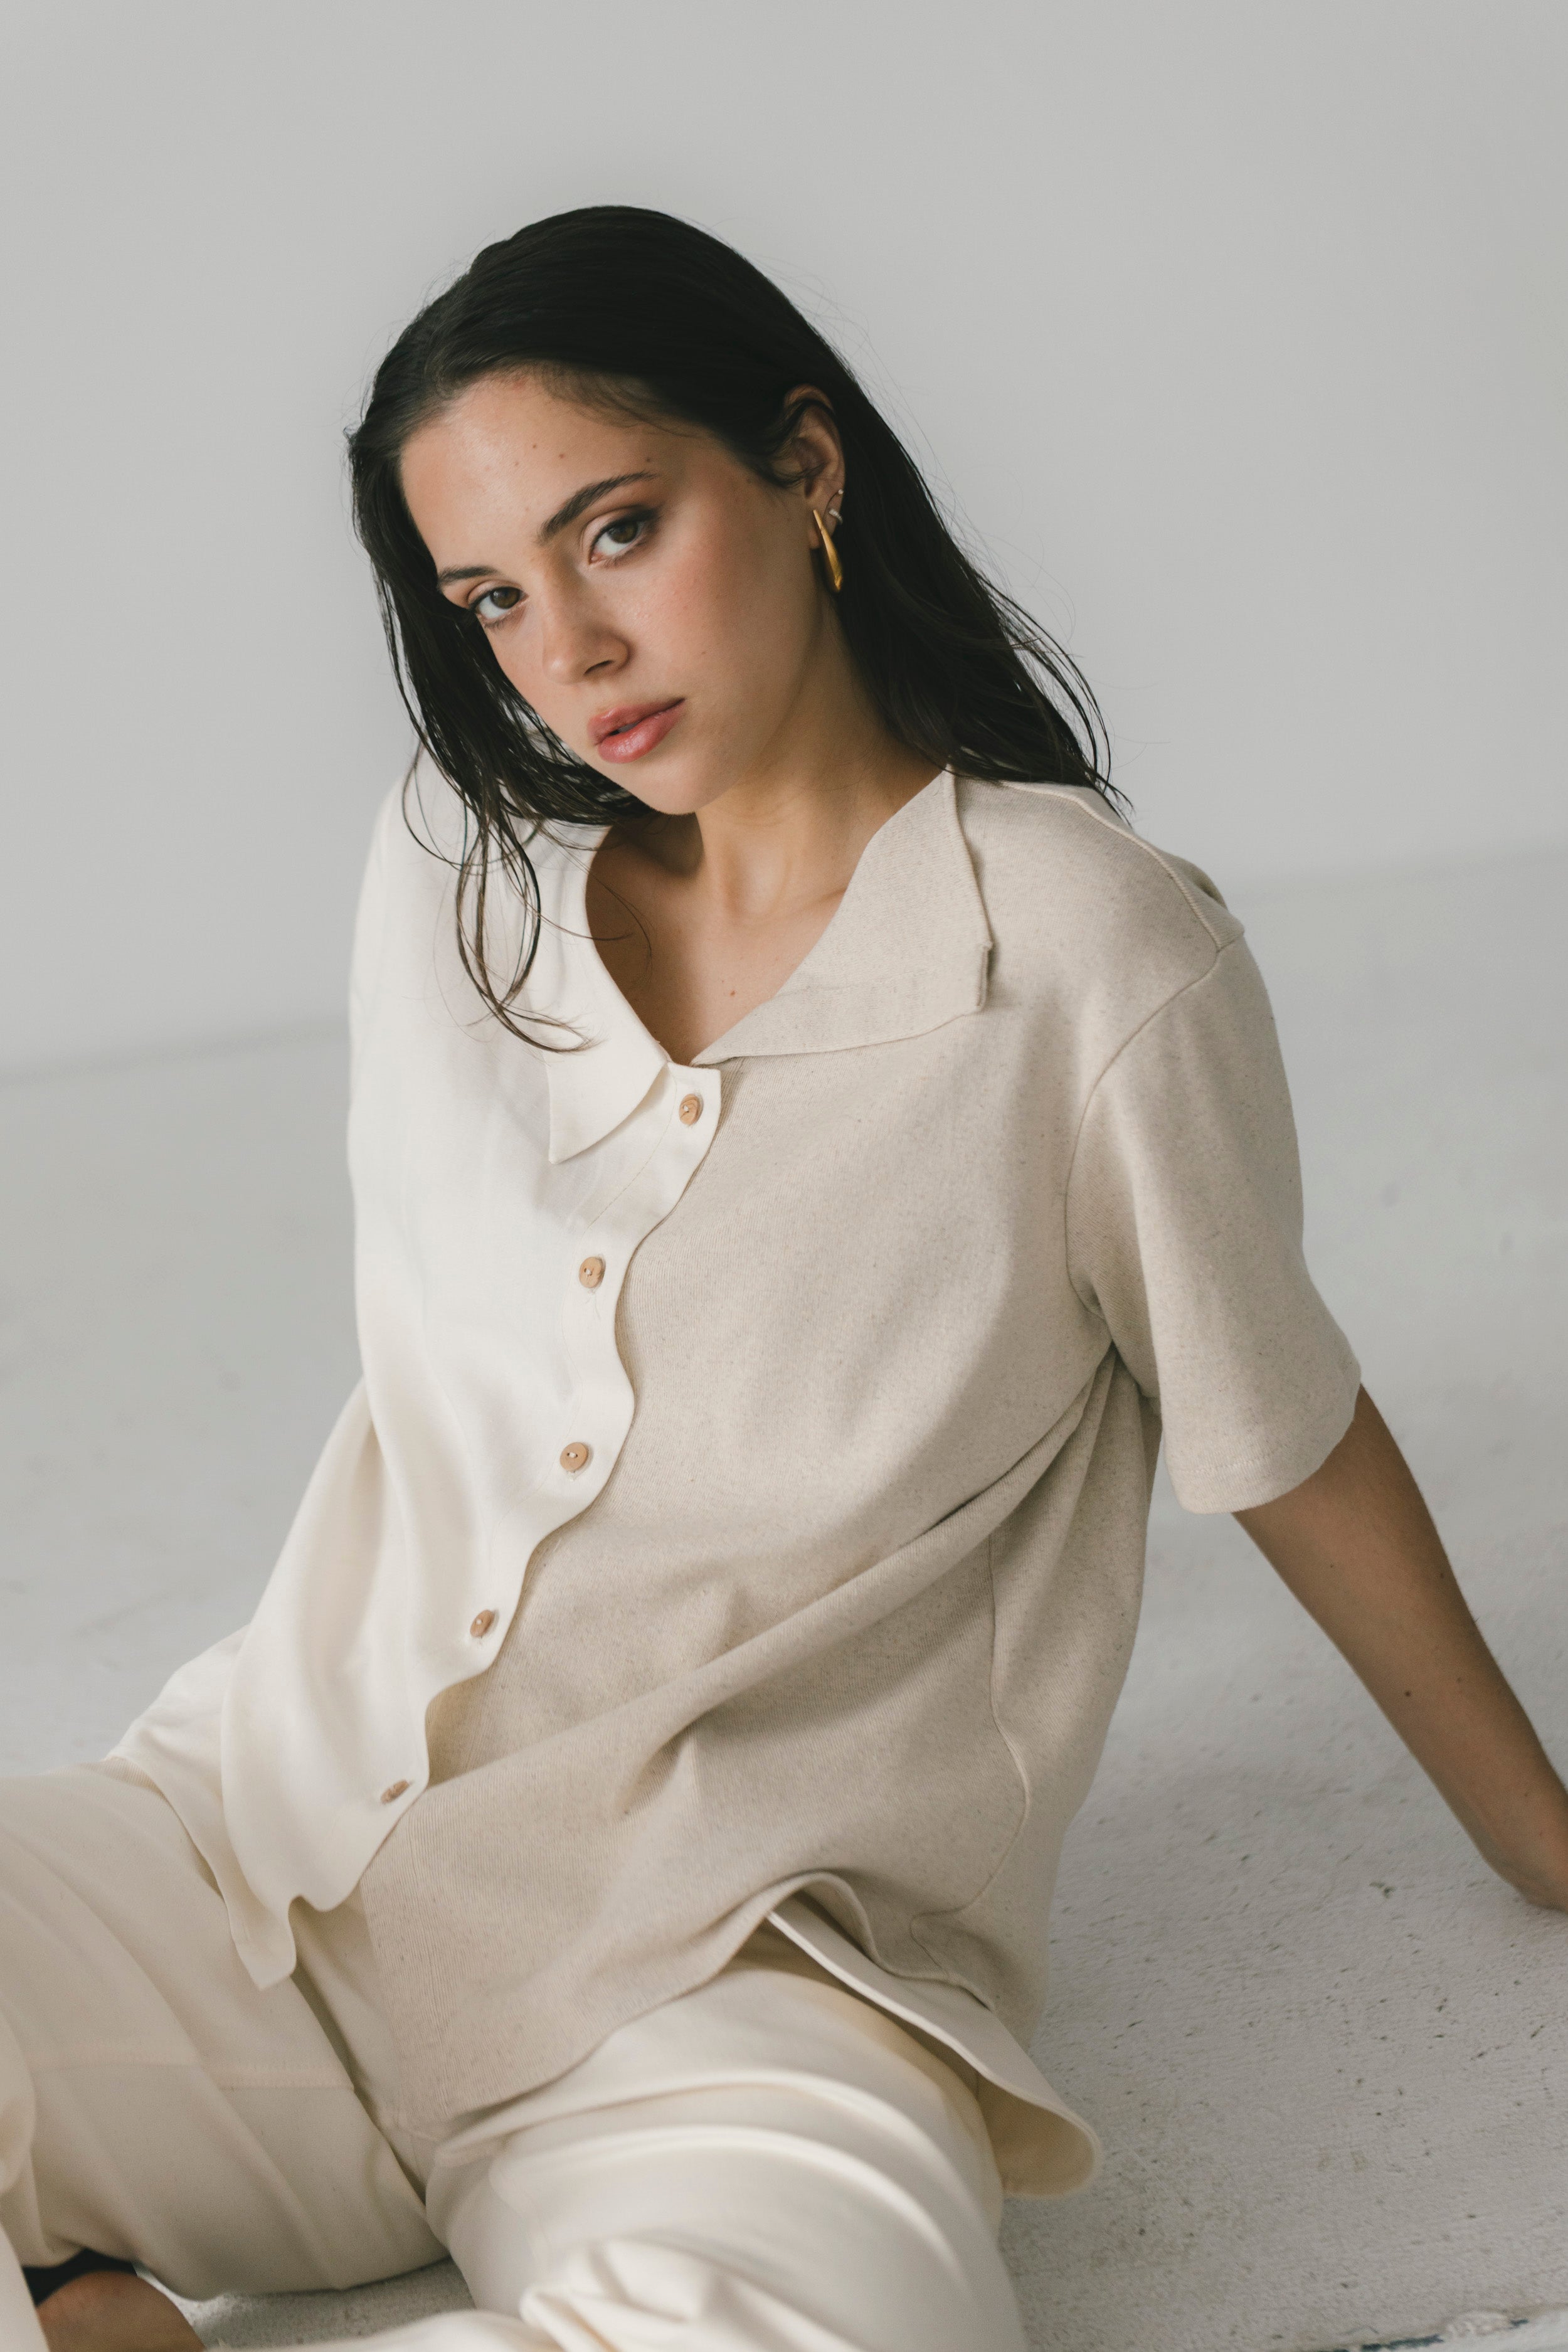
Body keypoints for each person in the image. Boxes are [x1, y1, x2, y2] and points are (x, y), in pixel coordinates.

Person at [4, 205, 1565, 2352]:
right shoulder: (461, 866)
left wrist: (1540, 1841)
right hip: (259, 1861)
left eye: (617, 530)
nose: (566, 650)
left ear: (805, 469)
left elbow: (1281, 1435)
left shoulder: (1086, 955)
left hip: (726, 1979)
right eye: (490, 597)